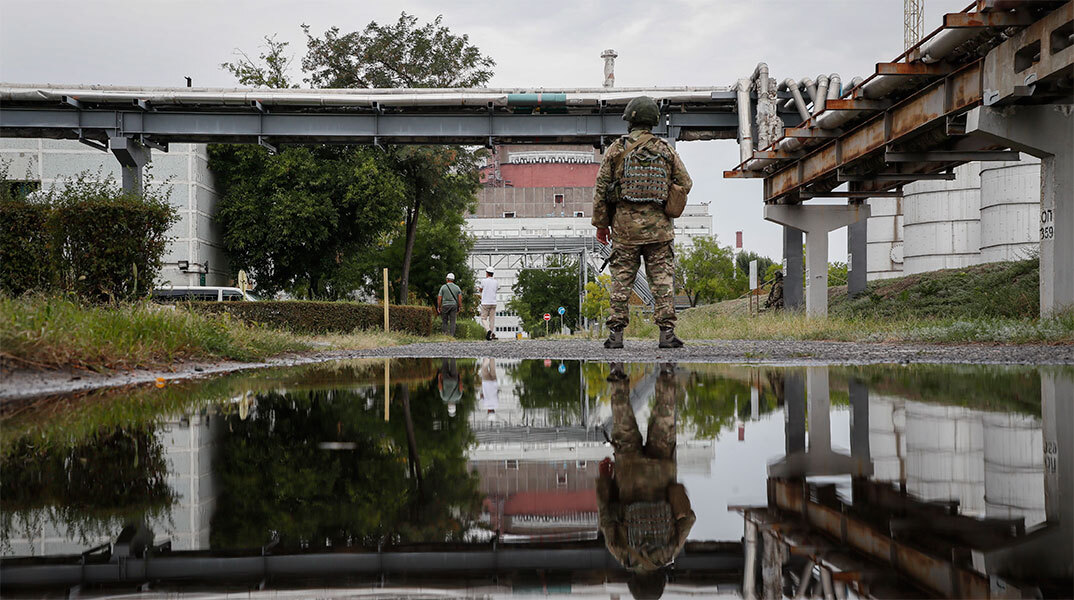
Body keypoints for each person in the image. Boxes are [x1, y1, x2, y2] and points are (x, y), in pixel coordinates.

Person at [593, 96, 693, 349]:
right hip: (659, 230)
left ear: (630, 120)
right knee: (662, 281)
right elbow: (685, 182)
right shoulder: (665, 149)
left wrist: (601, 225)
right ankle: (667, 334)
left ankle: (616, 335)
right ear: (654, 121)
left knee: (621, 281)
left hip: (625, 230)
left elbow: (601, 188)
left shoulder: (616, 149)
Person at [597, 362, 695, 600]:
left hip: (662, 472)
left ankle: (666, 373)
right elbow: (606, 516)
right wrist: (604, 481)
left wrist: (675, 500)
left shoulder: (669, 552)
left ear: (660, 580)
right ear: (634, 583)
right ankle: (617, 374)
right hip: (629, 473)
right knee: (623, 425)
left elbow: (689, 519)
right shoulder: (624, 555)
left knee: (664, 421)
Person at [479, 269, 498, 340]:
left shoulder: (484, 281)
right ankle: (491, 334)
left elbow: (480, 290)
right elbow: (496, 289)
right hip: (493, 302)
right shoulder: (496, 282)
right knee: (492, 319)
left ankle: (488, 330)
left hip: (485, 302)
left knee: (483, 318)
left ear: (487, 273)